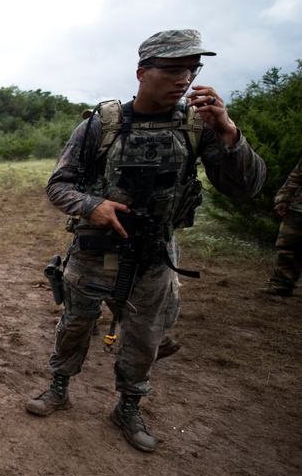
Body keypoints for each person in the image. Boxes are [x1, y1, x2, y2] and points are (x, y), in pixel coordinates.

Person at [27, 29, 266, 452]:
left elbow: (244, 189)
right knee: (76, 323)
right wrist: (92, 205)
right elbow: (58, 186)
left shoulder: (199, 126)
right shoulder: (102, 124)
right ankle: (59, 387)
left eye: (192, 70)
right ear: (142, 73)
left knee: (146, 334)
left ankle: (129, 405)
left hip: (155, 251)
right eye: (173, 69)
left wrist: (229, 133)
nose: (184, 79)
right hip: (97, 246)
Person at [261, 157, 302, 297]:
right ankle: (281, 285)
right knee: (287, 246)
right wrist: (283, 199)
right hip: (299, 209)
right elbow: (295, 177)